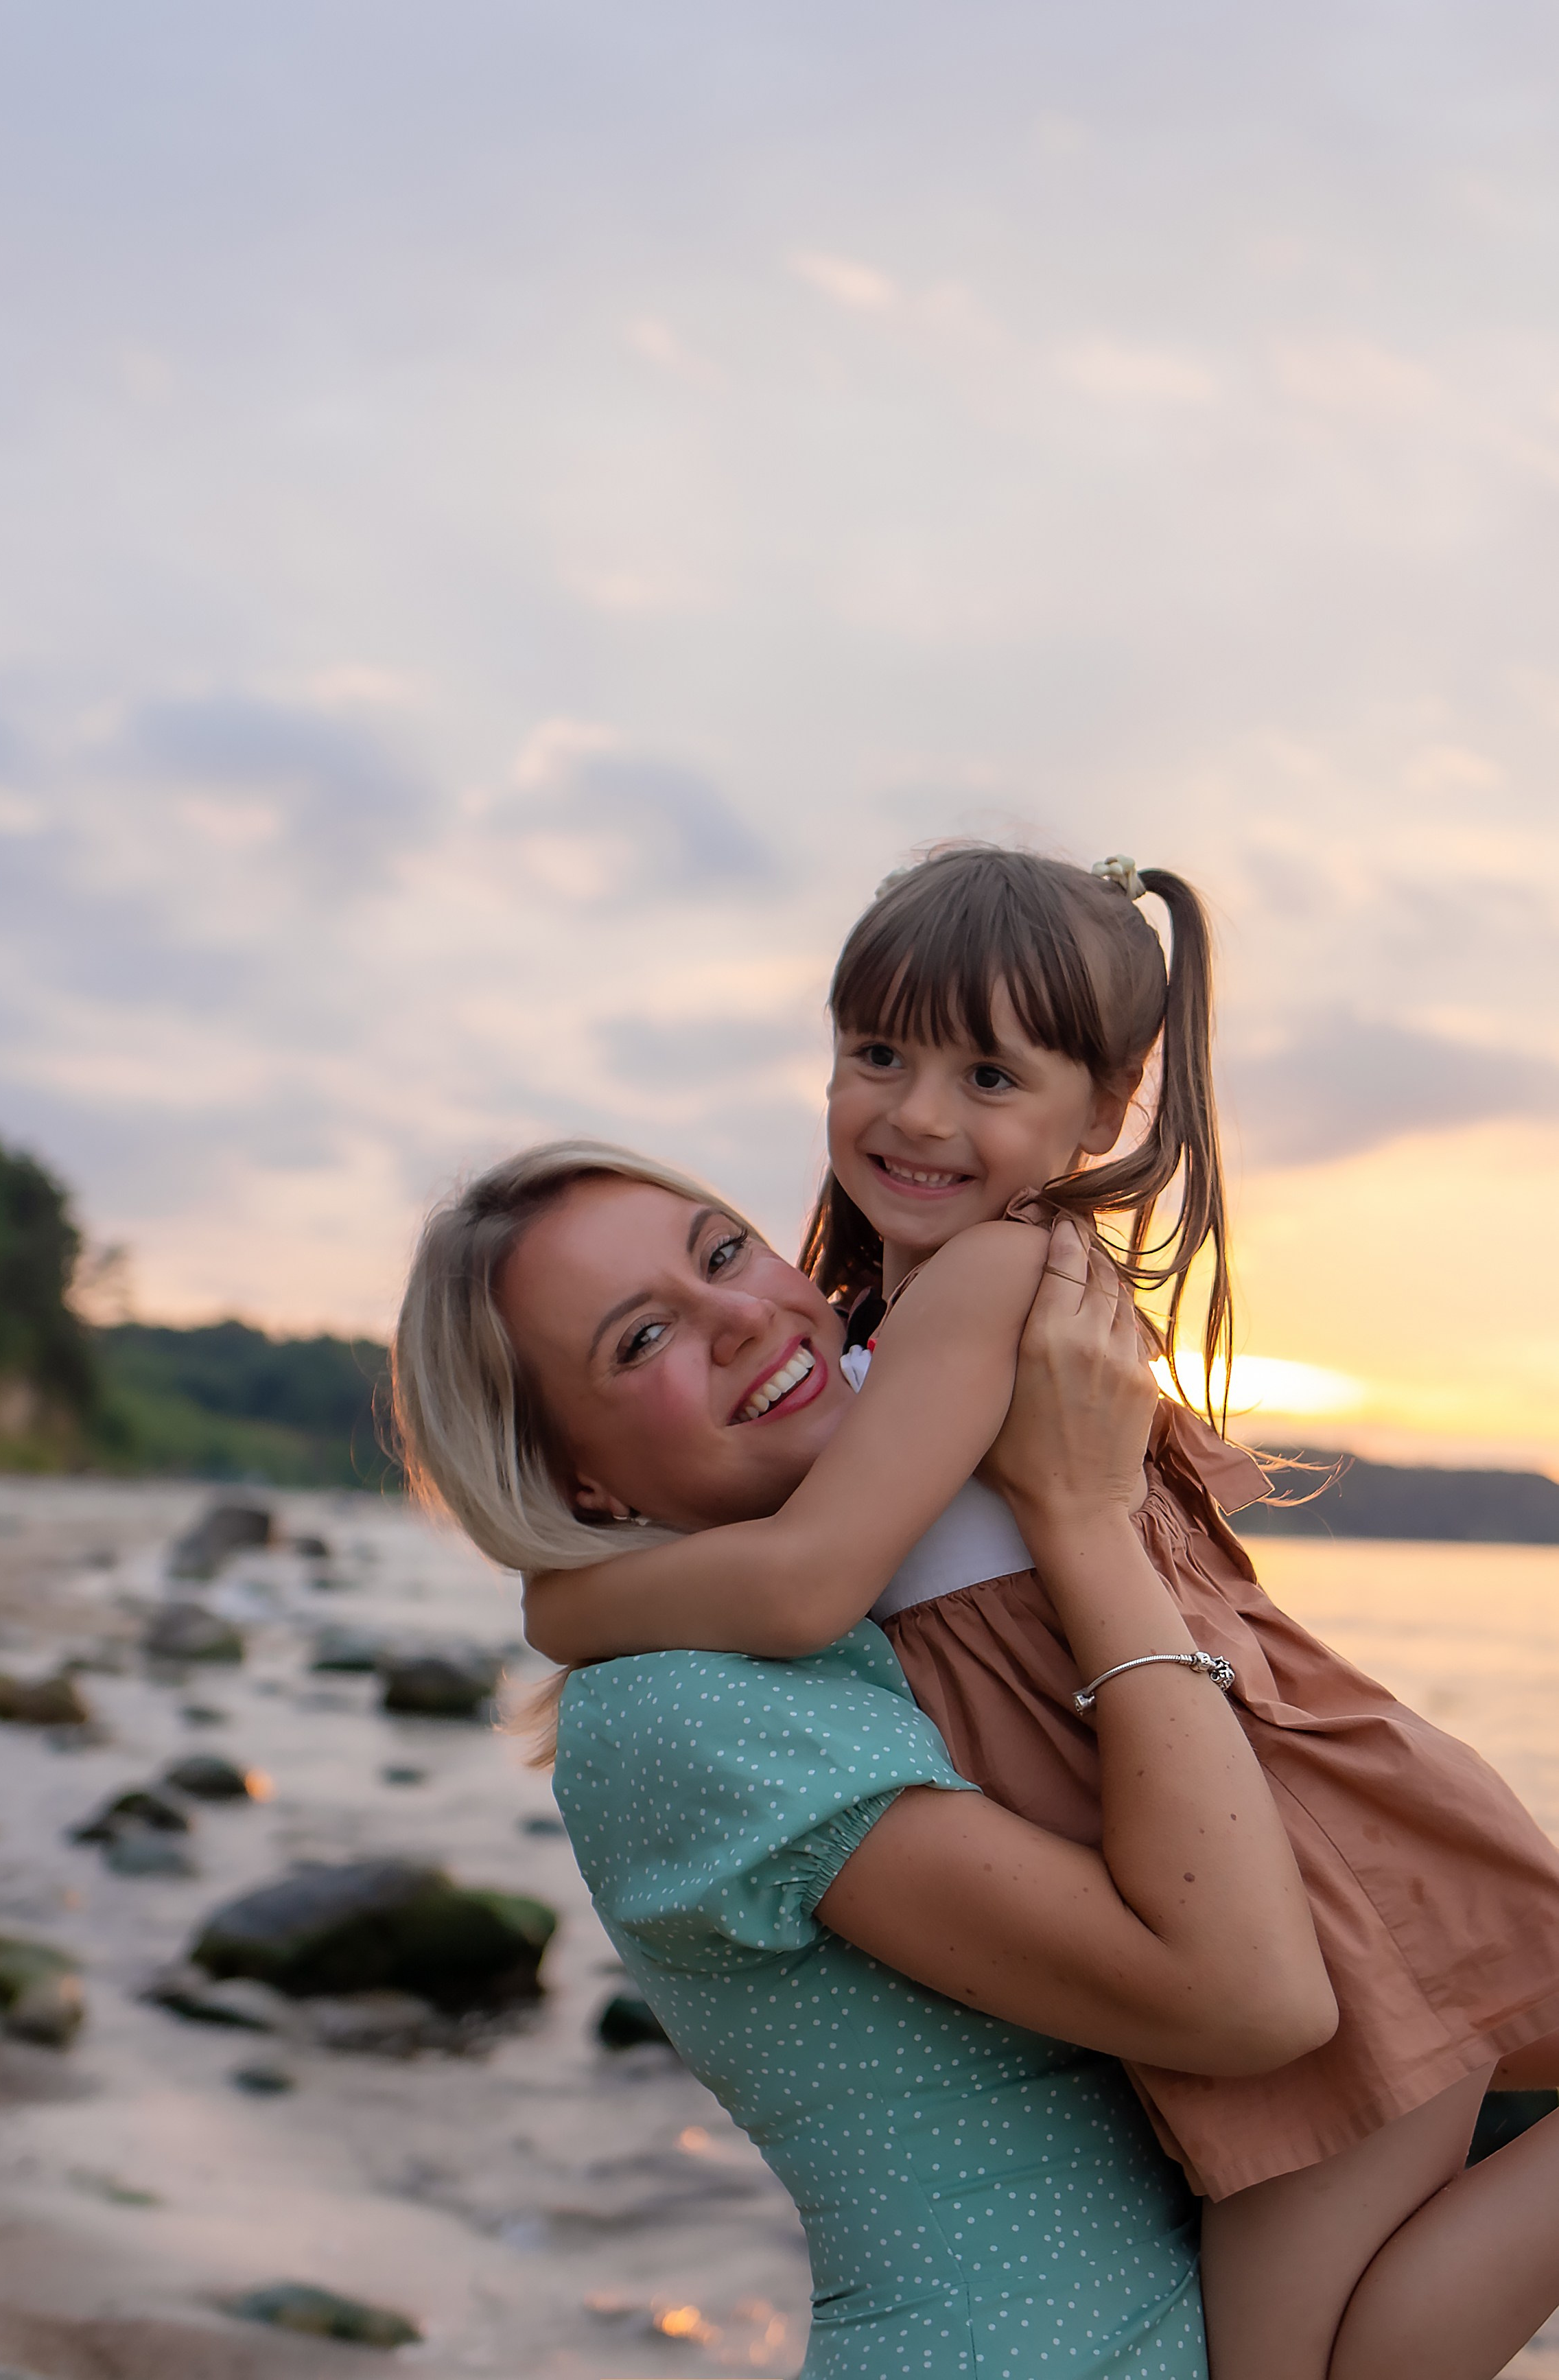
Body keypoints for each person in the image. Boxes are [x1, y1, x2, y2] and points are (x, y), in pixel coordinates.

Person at [521, 845, 1559, 2380]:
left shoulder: (993, 1277)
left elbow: (807, 1585)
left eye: (989, 1075)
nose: (919, 1114)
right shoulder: (890, 1331)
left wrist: (563, 1603)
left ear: (1106, 1108)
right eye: (879, 1053)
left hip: (1288, 1863)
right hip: (1234, 1851)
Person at [394, 1141, 1337, 2379]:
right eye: (642, 1339)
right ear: (579, 1481)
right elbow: (1251, 1999)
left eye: (724, 1253)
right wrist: (1082, 1514)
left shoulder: (871, 1616)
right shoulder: (679, 1708)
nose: (740, 1317)